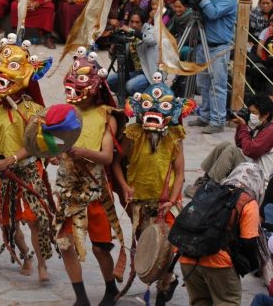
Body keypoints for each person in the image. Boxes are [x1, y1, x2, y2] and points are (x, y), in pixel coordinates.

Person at [113, 74, 195, 305]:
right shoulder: (133, 134)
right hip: (139, 201)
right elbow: (116, 163)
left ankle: (165, 285)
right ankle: (160, 282)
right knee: (149, 246)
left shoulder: (174, 138)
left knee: (167, 250)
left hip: (165, 203)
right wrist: (124, 186)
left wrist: (173, 198)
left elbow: (179, 173)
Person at [0, 35, 54, 283]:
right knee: (9, 223)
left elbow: (34, 146)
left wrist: (11, 159)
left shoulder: (34, 111)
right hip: (0, 170)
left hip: (26, 168)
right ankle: (26, 256)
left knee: (36, 220)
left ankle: (42, 263)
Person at [56, 54, 126, 306]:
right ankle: (81, 298)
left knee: (100, 248)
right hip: (68, 190)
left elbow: (107, 156)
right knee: (65, 244)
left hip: (95, 191)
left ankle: (110, 290)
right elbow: (54, 143)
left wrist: (83, 152)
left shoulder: (107, 116)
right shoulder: (65, 112)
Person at [181, 163, 262, 306]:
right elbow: (249, 243)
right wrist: (250, 265)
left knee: (200, 302)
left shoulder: (212, 191)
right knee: (227, 301)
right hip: (219, 263)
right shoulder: (248, 202)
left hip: (188, 257)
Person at [185, 93, 273, 197]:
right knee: (225, 145)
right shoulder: (260, 126)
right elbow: (240, 144)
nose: (251, 115)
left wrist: (244, 127)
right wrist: (241, 126)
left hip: (258, 180)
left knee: (231, 151)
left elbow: (250, 150)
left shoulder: (270, 130)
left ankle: (209, 189)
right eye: (250, 112)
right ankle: (206, 180)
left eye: (254, 113)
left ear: (266, 114)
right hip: (250, 170)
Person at [188, 0, 237, 134]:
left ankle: (217, 121)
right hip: (204, 44)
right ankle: (205, 116)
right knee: (202, 84)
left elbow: (213, 13)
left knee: (217, 85)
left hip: (219, 48)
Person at [107, 10, 158, 96]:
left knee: (130, 86)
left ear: (143, 23)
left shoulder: (150, 31)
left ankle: (147, 95)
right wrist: (113, 46)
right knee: (109, 81)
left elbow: (151, 41)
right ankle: (127, 94)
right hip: (132, 72)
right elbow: (113, 58)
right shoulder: (127, 34)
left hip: (147, 73)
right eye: (132, 22)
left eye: (137, 22)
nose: (134, 25)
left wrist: (132, 31)